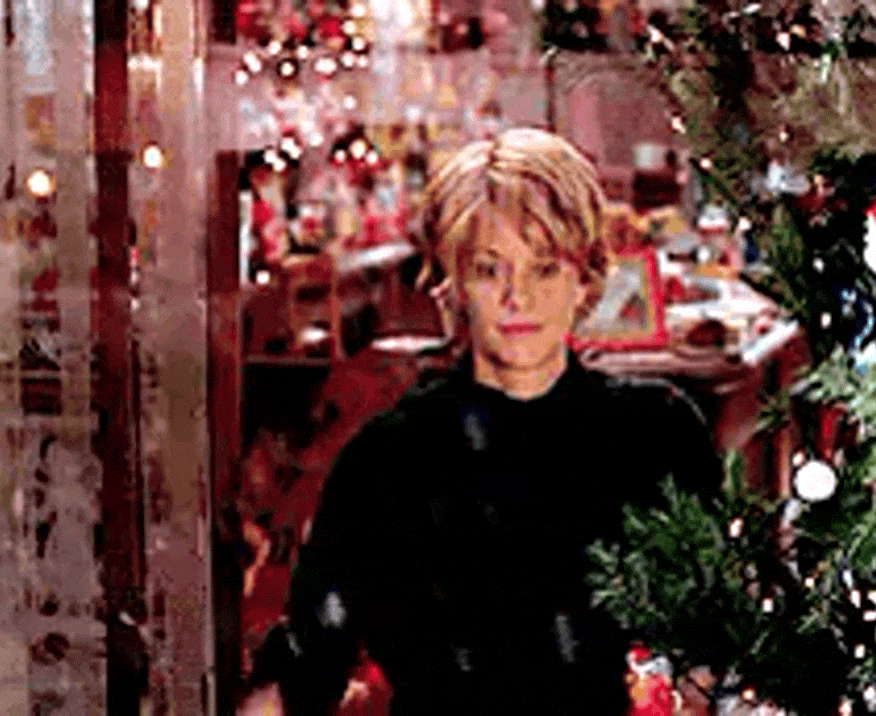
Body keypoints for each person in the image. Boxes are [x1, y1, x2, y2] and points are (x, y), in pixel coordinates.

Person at [243, 128, 723, 715]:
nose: (518, 298)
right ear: (454, 286)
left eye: (544, 269)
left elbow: (712, 653)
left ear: (584, 281)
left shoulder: (657, 435)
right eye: (491, 270)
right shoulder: (389, 458)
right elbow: (306, 665)